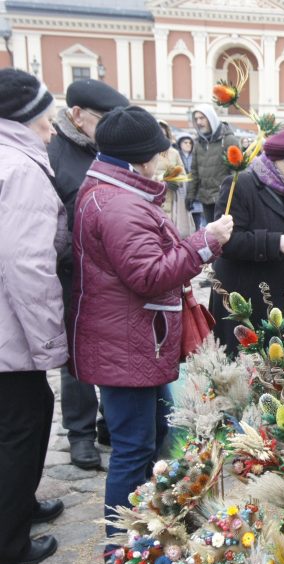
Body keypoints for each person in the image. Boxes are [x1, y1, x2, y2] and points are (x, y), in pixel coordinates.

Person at [68, 105, 234, 561]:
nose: (164, 162)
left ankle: (146, 528)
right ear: (140, 158)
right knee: (132, 447)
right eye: (159, 154)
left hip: (132, 339)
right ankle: (121, 546)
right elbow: (149, 275)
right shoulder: (120, 205)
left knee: (148, 437)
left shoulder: (114, 192)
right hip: (127, 343)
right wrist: (206, 242)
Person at [0, 68, 67, 564]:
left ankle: (19, 503)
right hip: (9, 328)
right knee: (24, 421)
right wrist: (48, 342)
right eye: (46, 114)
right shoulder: (20, 169)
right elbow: (28, 265)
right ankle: (8, 542)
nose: (52, 124)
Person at [47, 77, 128, 470]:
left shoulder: (111, 150)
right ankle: (79, 434)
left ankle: (107, 422)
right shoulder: (54, 153)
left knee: (110, 349)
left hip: (109, 273)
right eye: (104, 119)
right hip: (70, 272)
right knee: (75, 358)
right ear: (77, 116)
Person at [210, 130, 284, 354]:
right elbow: (226, 242)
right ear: (274, 162)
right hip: (248, 298)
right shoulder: (240, 184)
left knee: (283, 372)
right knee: (250, 373)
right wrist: (275, 243)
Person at [186, 104, 237, 223]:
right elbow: (194, 172)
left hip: (225, 199)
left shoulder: (229, 140)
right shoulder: (198, 142)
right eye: (196, 119)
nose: (198, 122)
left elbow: (237, 171)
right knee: (212, 236)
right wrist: (190, 195)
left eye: (202, 118)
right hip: (206, 199)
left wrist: (234, 196)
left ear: (211, 118)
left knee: (226, 235)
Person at [155, 120, 192, 238]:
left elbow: (182, 173)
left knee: (170, 235)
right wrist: (160, 179)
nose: (162, 138)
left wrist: (175, 180)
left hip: (171, 201)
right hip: (152, 199)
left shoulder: (174, 153)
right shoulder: (147, 152)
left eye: (165, 135)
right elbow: (141, 175)